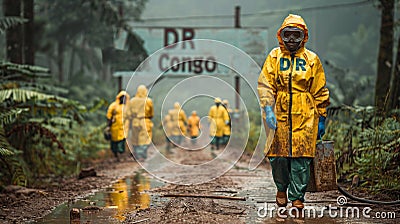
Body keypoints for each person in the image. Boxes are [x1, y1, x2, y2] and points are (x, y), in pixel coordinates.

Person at [257, 14, 330, 211]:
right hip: (278, 111)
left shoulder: (311, 59)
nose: (291, 40)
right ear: (281, 36)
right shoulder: (274, 57)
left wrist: (321, 117)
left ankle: (298, 196)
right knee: (277, 157)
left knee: (302, 158)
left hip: (305, 112)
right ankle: (281, 188)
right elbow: (265, 84)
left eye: (295, 35)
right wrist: (267, 108)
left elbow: (320, 89)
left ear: (303, 36)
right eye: (287, 34)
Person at [124, 85, 154, 162]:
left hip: (135, 122)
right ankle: (142, 155)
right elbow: (151, 113)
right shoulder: (148, 101)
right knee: (145, 139)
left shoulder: (132, 101)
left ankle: (137, 154)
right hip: (145, 121)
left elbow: (128, 113)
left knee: (135, 138)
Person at [106, 91, 130, 162]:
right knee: (114, 141)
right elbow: (109, 115)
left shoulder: (127, 107)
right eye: (122, 97)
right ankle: (115, 154)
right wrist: (108, 125)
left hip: (124, 127)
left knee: (122, 140)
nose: (123, 99)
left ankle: (121, 153)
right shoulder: (113, 106)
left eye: (124, 98)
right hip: (115, 127)